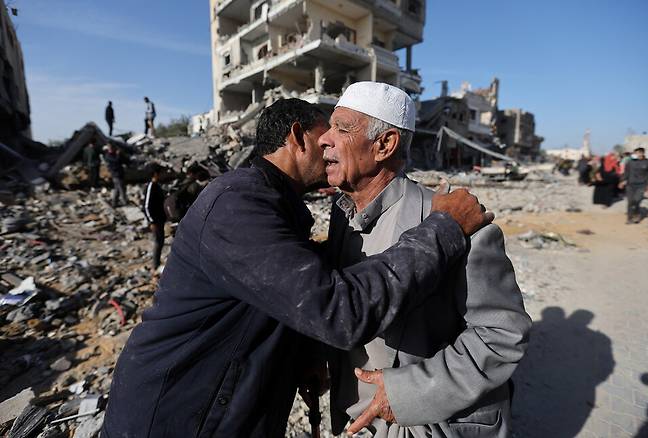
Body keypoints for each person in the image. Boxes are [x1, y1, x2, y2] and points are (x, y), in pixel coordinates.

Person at [101, 98, 492, 438]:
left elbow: (279, 294)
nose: (332, 145)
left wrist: (299, 353)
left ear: (385, 144)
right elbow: (338, 310)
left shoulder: (283, 207)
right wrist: (444, 229)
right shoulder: (237, 205)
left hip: (225, 410)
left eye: (343, 130)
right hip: (178, 413)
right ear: (298, 137)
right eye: (328, 133)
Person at [320, 82, 531, 438]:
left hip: (425, 425)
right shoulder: (342, 215)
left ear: (385, 145)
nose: (325, 139)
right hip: (356, 421)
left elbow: (503, 335)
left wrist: (407, 393)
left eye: (341, 128)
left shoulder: (456, 222)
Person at [621, 147, 648, 223]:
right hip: (630, 185)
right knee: (630, 201)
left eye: (638, 153)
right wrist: (622, 181)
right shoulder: (630, 162)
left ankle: (636, 213)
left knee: (637, 200)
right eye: (635, 153)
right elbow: (626, 173)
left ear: (642, 153)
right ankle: (629, 218)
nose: (636, 154)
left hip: (642, 185)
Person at [143, 164, 167, 271]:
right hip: (155, 220)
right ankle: (155, 265)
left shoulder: (157, 185)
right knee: (158, 241)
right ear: (156, 174)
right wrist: (151, 221)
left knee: (161, 241)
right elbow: (146, 206)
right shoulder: (151, 186)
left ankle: (156, 263)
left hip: (160, 219)